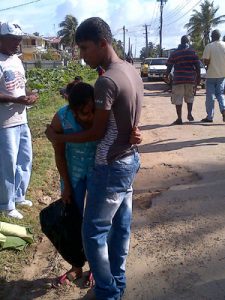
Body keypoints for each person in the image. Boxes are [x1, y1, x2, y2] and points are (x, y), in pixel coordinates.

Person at [45, 17, 143, 300]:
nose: (82, 55)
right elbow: (129, 120)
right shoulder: (131, 71)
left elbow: (97, 132)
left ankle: (107, 292)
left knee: (93, 233)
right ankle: (116, 284)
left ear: (103, 43)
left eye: (85, 48)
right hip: (129, 159)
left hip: (111, 165)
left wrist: (59, 138)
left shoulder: (106, 81)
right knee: (120, 227)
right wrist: (133, 135)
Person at [50, 82, 96, 287]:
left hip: (98, 174)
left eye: (90, 111)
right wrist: (66, 186)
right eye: (81, 113)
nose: (87, 117)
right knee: (73, 222)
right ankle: (76, 267)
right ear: (71, 110)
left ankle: (96, 267)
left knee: (97, 222)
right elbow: (59, 154)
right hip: (73, 174)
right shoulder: (61, 118)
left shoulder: (102, 115)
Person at [0, 22, 38, 219]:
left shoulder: (16, 60)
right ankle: (7, 205)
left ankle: (19, 195)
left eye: (19, 39)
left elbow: (21, 87)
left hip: (22, 118)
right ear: (1, 38)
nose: (17, 43)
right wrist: (15, 99)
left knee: (25, 159)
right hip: (4, 123)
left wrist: (29, 95)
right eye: (13, 39)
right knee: (7, 163)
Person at [165, 35, 200, 125]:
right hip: (190, 79)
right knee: (190, 97)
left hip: (178, 80)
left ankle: (179, 119)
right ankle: (189, 114)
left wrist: (166, 75)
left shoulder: (175, 53)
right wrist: (198, 78)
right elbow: (197, 66)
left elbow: (169, 66)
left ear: (181, 42)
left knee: (178, 99)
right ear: (188, 42)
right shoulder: (193, 52)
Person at [201, 29, 225, 122]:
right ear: (219, 36)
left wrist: (208, 64)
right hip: (222, 74)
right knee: (220, 94)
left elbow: (206, 61)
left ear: (212, 37)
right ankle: (223, 109)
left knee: (210, 96)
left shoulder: (209, 46)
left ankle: (210, 116)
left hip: (211, 74)